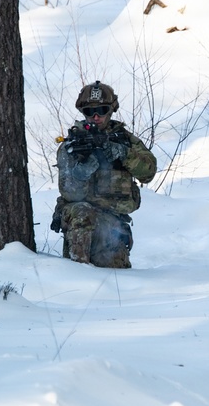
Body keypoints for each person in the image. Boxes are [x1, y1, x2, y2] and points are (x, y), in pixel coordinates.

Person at [53, 81, 157, 268]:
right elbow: (68, 192)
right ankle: (76, 273)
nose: (95, 116)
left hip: (112, 223)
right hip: (80, 220)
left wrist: (124, 154)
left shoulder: (125, 140)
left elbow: (148, 172)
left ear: (110, 110)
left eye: (101, 110)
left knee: (117, 277)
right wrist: (81, 173)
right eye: (89, 111)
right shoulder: (73, 144)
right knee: (83, 211)